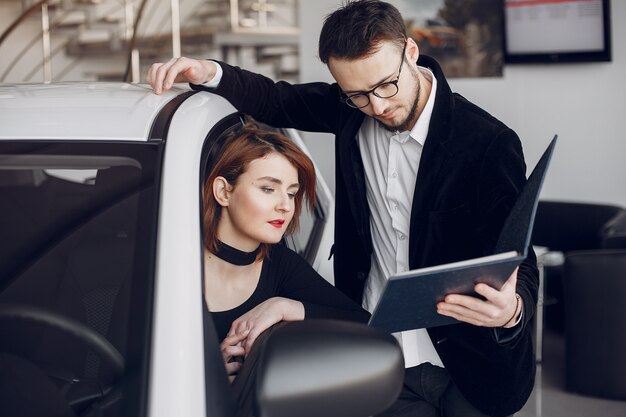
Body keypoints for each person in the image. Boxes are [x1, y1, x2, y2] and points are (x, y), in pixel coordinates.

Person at [148, 1, 538, 416]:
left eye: (386, 86)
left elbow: (521, 259)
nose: (378, 106)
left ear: (410, 51)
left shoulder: (488, 142)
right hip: (376, 349)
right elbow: (277, 100)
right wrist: (210, 73)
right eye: (358, 95)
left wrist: (513, 311)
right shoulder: (350, 110)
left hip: (467, 364)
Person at [201, 122, 369, 383]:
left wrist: (284, 307)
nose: (286, 206)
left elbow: (364, 324)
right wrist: (203, 377)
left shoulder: (280, 265)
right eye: (268, 189)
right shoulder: (171, 266)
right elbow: (121, 374)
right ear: (224, 191)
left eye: (292, 193)